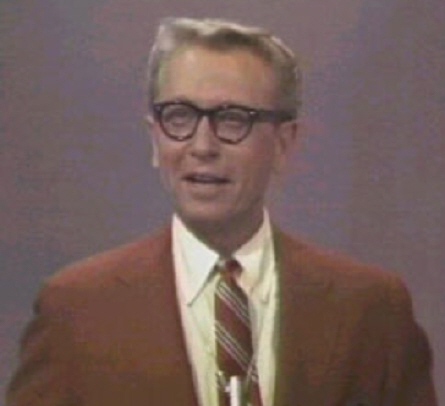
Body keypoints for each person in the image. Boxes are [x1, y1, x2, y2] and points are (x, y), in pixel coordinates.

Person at [6, 17, 437, 406]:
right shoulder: (75, 309)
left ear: (283, 143)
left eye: (232, 119)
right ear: (155, 139)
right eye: (179, 117)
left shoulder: (372, 310)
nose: (202, 146)